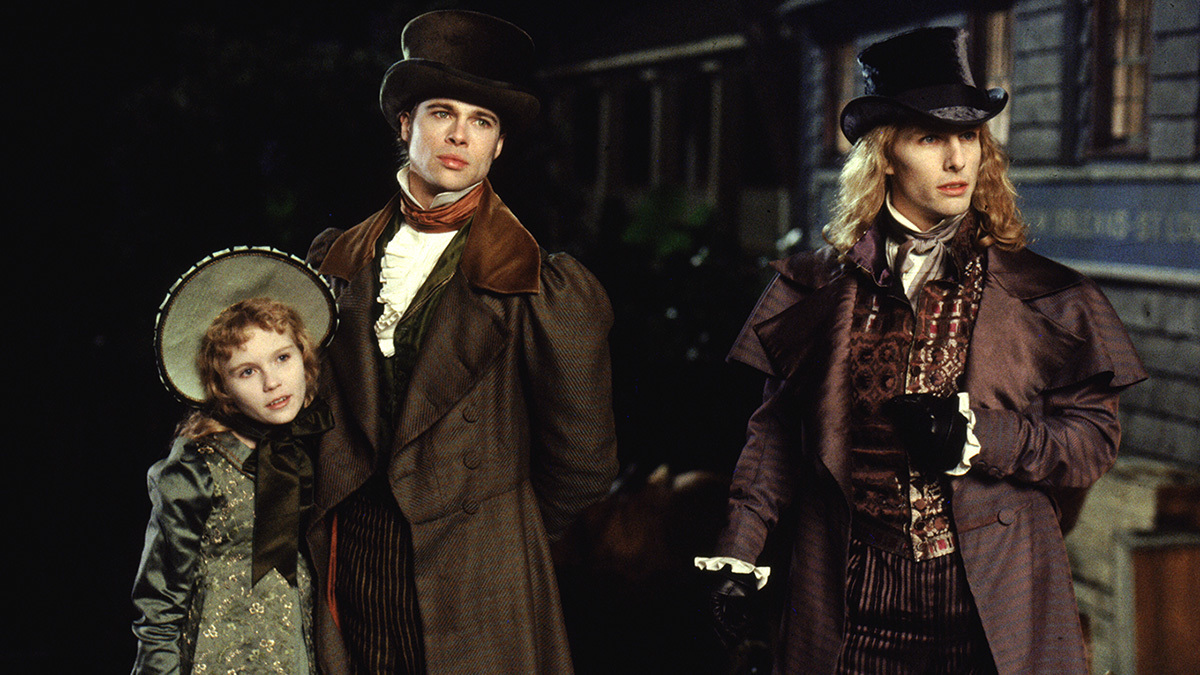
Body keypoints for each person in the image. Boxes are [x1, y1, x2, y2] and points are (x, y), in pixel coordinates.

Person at [700, 27, 1147, 674]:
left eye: (969, 136)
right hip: (852, 604)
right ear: (885, 155)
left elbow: (1093, 442)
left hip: (992, 607)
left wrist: (981, 436)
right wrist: (738, 553)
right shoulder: (816, 287)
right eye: (930, 138)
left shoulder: (1048, 295)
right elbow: (775, 437)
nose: (958, 159)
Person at [303, 10, 619, 674]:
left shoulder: (540, 287)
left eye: (482, 122)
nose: (459, 135)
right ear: (404, 125)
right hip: (350, 568)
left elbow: (583, 462)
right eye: (442, 113)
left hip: (478, 581)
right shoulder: (336, 262)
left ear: (498, 147)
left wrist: (497, 531)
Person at [131, 247, 338, 674]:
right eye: (247, 371)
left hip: (302, 657)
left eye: (282, 358)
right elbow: (161, 602)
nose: (272, 382)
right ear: (221, 387)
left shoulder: (319, 446)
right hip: (219, 658)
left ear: (304, 358)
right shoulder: (196, 467)